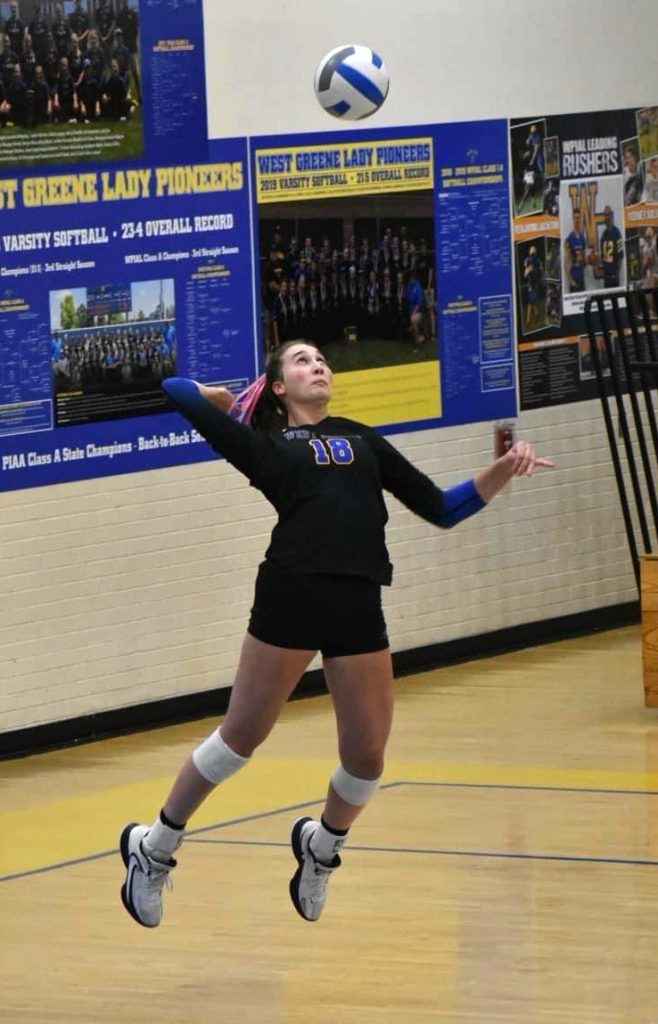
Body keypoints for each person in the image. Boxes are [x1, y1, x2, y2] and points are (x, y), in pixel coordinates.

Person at [119, 339, 554, 929]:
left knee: (367, 759)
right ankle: (154, 846)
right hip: (291, 594)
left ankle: (320, 849)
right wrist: (224, 398)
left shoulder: (363, 439)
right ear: (277, 386)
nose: (318, 365)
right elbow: (175, 390)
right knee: (240, 738)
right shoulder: (265, 444)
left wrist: (502, 470)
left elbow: (440, 507)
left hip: (357, 598)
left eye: (322, 359)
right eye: (301, 360)